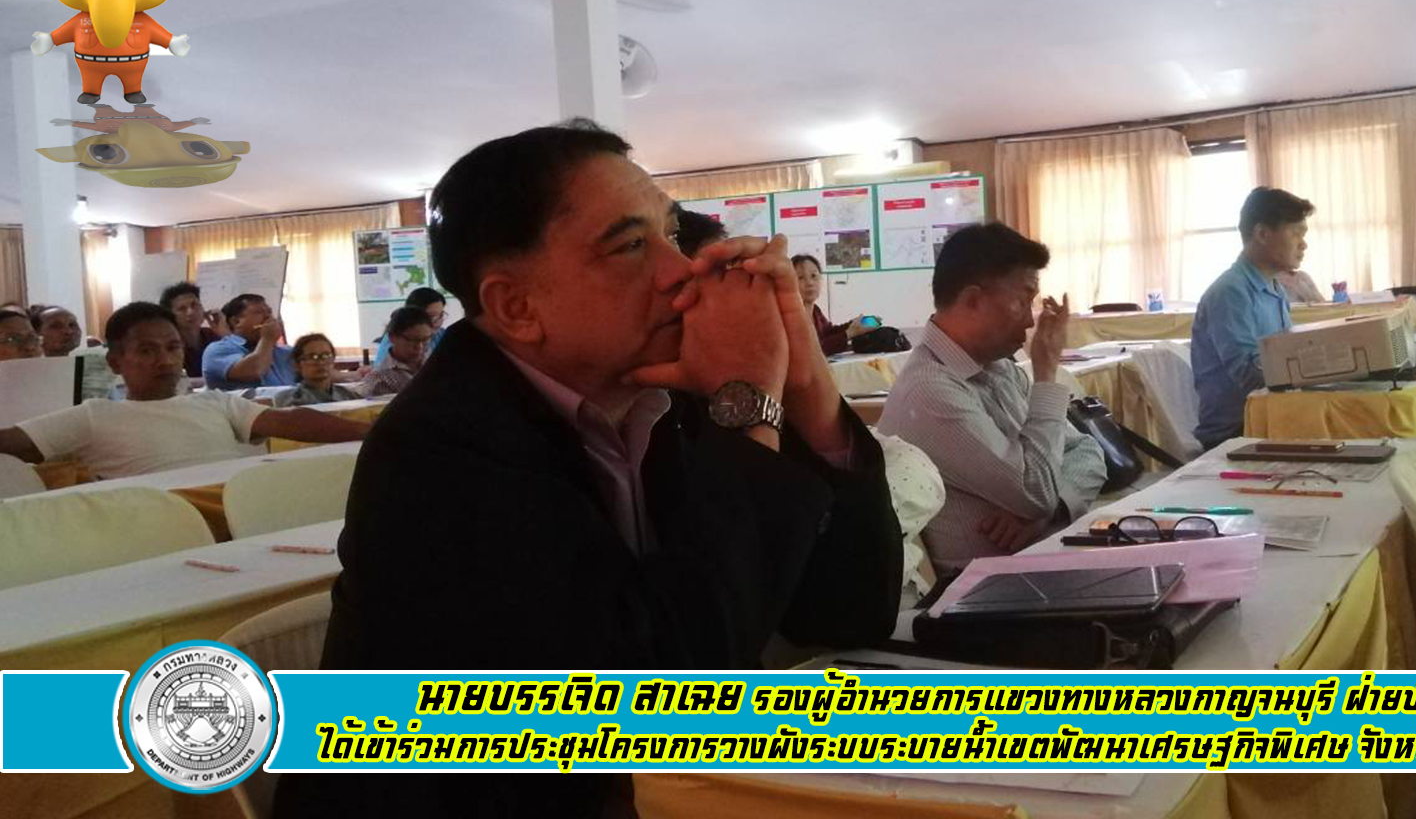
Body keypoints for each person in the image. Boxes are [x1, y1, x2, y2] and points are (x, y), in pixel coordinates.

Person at [276, 120, 900, 818]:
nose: (680, 269)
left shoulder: (670, 397)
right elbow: (663, 702)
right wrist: (750, 398)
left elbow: (851, 614)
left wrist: (804, 380)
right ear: (517, 307)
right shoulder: (438, 447)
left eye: (670, 234)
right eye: (631, 246)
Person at [877, 223, 1107, 572]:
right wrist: (1046, 374)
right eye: (1023, 300)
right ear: (973, 300)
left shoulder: (999, 367)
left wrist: (1051, 509)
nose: (1030, 321)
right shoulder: (930, 391)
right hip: (982, 586)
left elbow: (1087, 451)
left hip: (1038, 560)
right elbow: (1035, 492)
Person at [0, 302, 367, 480]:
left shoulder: (215, 402)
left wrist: (371, 432)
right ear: (114, 362)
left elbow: (291, 422)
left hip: (245, 510)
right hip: (165, 527)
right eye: (147, 350)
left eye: (173, 348)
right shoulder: (94, 416)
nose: (165, 359)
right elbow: (11, 441)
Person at [1192, 186, 1315, 451]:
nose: (1303, 244)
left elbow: (1282, 356)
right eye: (1296, 233)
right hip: (1238, 433)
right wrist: (1318, 368)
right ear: (1261, 234)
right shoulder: (1231, 292)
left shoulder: (1274, 287)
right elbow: (1249, 375)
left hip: (1273, 417)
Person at [202, 294, 297, 391]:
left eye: (269, 312)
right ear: (236, 322)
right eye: (259, 312)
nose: (268, 316)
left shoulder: (286, 352)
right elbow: (256, 370)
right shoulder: (218, 350)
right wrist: (267, 339)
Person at [792, 254, 875, 355]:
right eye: (800, 278)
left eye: (814, 276)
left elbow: (828, 332)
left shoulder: (815, 310)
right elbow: (810, 350)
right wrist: (849, 333)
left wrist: (855, 323)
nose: (809, 283)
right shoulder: (790, 314)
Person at [358, 306, 433, 397]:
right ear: (392, 337)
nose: (419, 346)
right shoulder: (379, 379)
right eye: (411, 340)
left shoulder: (437, 364)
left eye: (425, 340)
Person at [275, 333, 363, 407]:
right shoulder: (289, 399)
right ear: (297, 365)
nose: (321, 362)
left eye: (326, 355)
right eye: (312, 357)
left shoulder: (350, 396)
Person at [159, 281, 223, 378]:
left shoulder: (211, 335)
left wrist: (226, 334)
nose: (191, 312)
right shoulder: (168, 345)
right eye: (182, 309)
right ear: (170, 316)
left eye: (194, 305)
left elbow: (237, 367)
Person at [372, 287, 447, 364]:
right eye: (432, 316)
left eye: (441, 314)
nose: (439, 321)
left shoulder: (440, 334)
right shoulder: (396, 341)